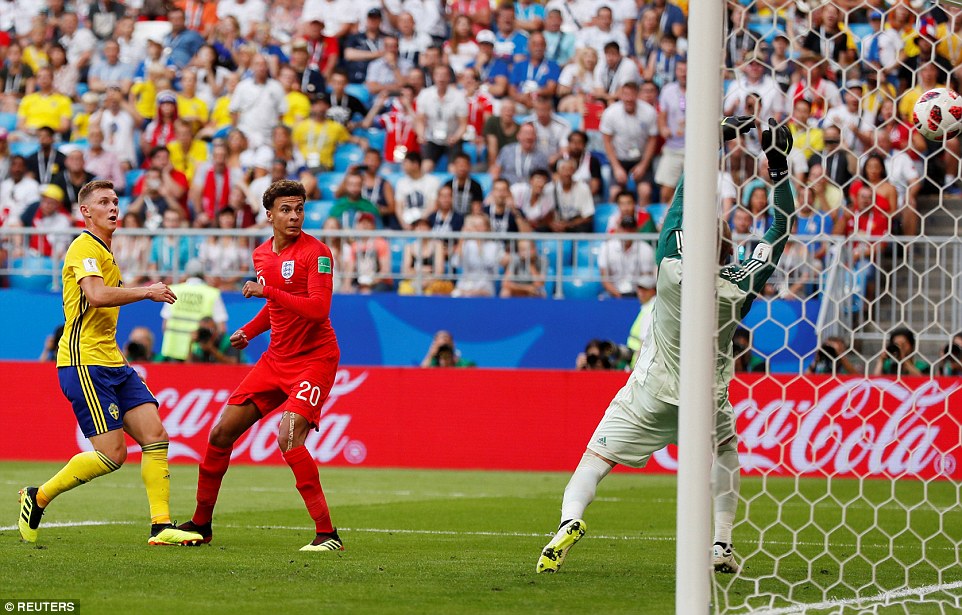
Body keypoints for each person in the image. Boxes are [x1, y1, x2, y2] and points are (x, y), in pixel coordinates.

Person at [535, 117, 795, 576]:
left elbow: (677, 208)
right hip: (706, 397)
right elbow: (778, 230)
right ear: (728, 253)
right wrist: (778, 169)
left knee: (595, 459)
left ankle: (571, 520)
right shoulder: (739, 285)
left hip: (651, 389)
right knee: (728, 454)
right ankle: (720, 544)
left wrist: (710, 145)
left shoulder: (672, 272)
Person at [17, 180, 203, 547]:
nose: (113, 207)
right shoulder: (83, 246)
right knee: (113, 454)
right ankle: (37, 498)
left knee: (156, 436)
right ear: (86, 212)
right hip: (84, 363)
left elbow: (101, 303)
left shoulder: (105, 251)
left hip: (112, 362)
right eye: (104, 202)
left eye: (116, 200)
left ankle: (160, 526)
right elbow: (97, 295)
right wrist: (147, 290)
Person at [177, 180, 343, 552]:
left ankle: (327, 534)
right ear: (269, 215)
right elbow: (277, 307)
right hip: (275, 360)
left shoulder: (317, 254)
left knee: (287, 437)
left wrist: (265, 290)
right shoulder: (261, 255)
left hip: (314, 359)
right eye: (286, 209)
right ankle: (201, 524)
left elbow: (318, 310)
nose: (294, 216)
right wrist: (249, 332)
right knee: (221, 434)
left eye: (299, 209)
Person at [159, 259, 229, 362]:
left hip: (173, 350)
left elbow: (165, 326)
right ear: (203, 275)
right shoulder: (212, 293)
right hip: (198, 353)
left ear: (186, 274)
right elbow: (222, 329)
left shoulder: (174, 290)